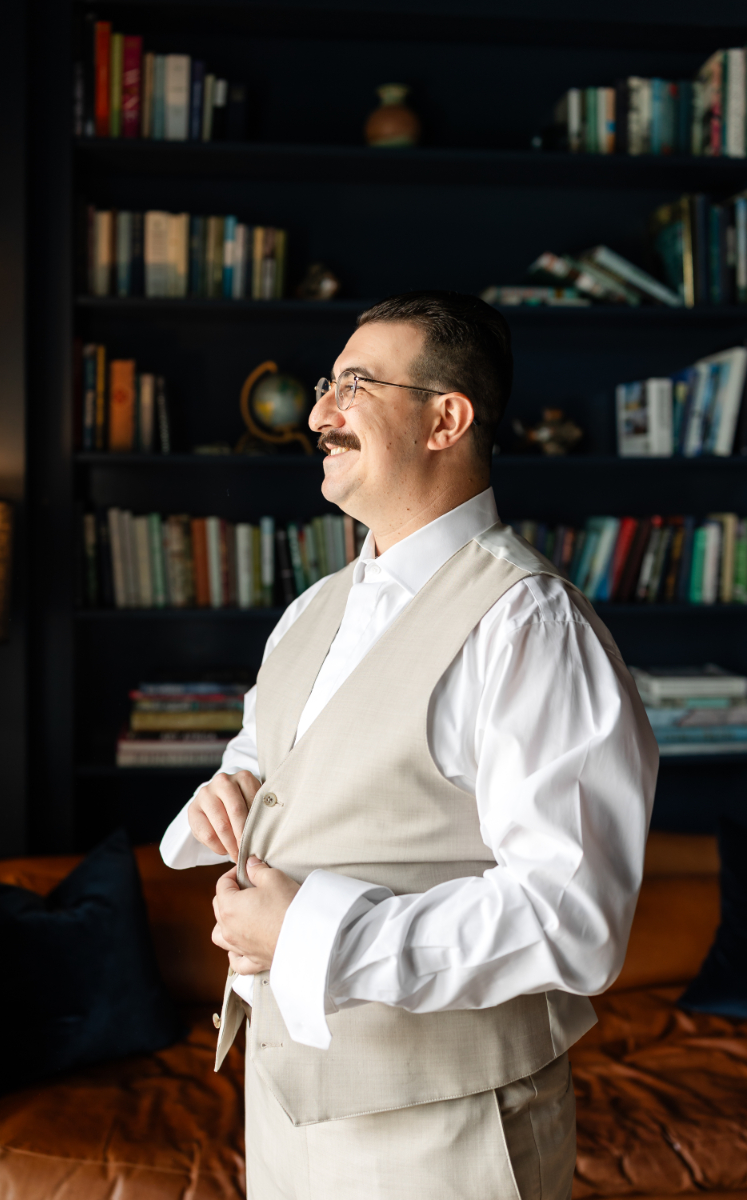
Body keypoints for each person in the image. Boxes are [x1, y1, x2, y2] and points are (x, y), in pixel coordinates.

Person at [160, 290, 658, 1200]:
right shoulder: (310, 611)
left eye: (353, 385)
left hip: (447, 1136)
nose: (319, 413)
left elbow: (571, 919)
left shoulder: (529, 626)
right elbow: (264, 759)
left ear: (446, 420)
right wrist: (229, 791)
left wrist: (310, 933)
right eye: (325, 386)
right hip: (282, 1113)